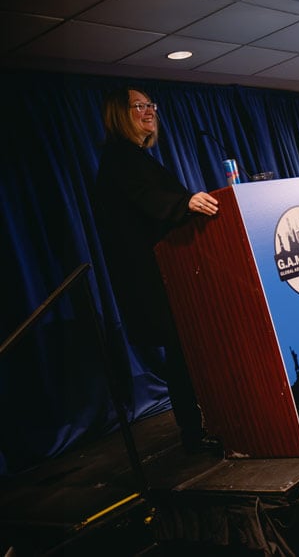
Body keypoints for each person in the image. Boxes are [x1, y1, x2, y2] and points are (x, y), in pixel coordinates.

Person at [93, 87, 220, 454]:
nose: (148, 111)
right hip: (153, 279)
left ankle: (203, 427)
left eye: (151, 105)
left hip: (169, 275)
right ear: (119, 113)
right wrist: (185, 203)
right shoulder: (119, 160)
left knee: (187, 354)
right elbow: (148, 201)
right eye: (138, 106)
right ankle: (195, 434)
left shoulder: (137, 158)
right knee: (183, 355)